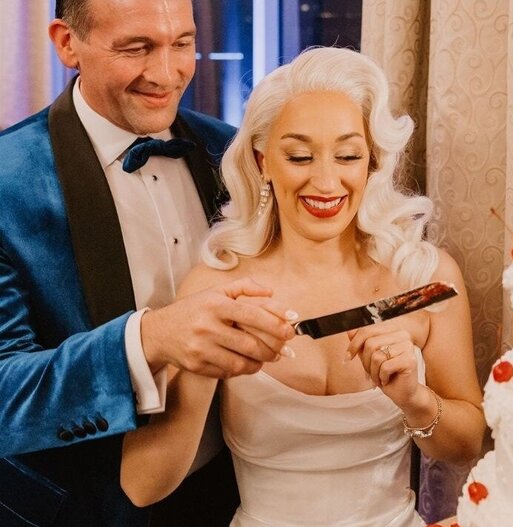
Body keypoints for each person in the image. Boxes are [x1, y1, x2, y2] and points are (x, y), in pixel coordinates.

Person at [120, 46, 486, 526]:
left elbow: (468, 446)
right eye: (299, 155)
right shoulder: (216, 288)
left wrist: (415, 399)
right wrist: (204, 363)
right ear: (262, 161)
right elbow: (143, 486)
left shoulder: (424, 278)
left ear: (371, 162)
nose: (326, 180)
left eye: (348, 155)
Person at [0, 1, 296, 526]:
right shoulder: (7, 181)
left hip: (234, 498)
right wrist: (151, 339)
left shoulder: (228, 151)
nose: (166, 73)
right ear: (67, 43)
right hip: (83, 510)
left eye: (182, 43)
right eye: (136, 48)